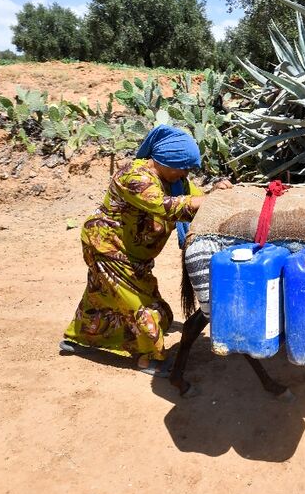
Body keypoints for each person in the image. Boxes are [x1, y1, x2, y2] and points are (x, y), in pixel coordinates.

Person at [61, 125, 231, 376]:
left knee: (101, 297)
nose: (185, 173)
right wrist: (210, 200)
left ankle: (77, 338)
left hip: (133, 255)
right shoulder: (135, 177)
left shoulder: (175, 181)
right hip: (108, 248)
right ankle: (148, 358)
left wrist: (216, 193)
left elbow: (196, 198)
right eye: (182, 167)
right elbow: (167, 207)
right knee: (144, 308)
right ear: (166, 161)